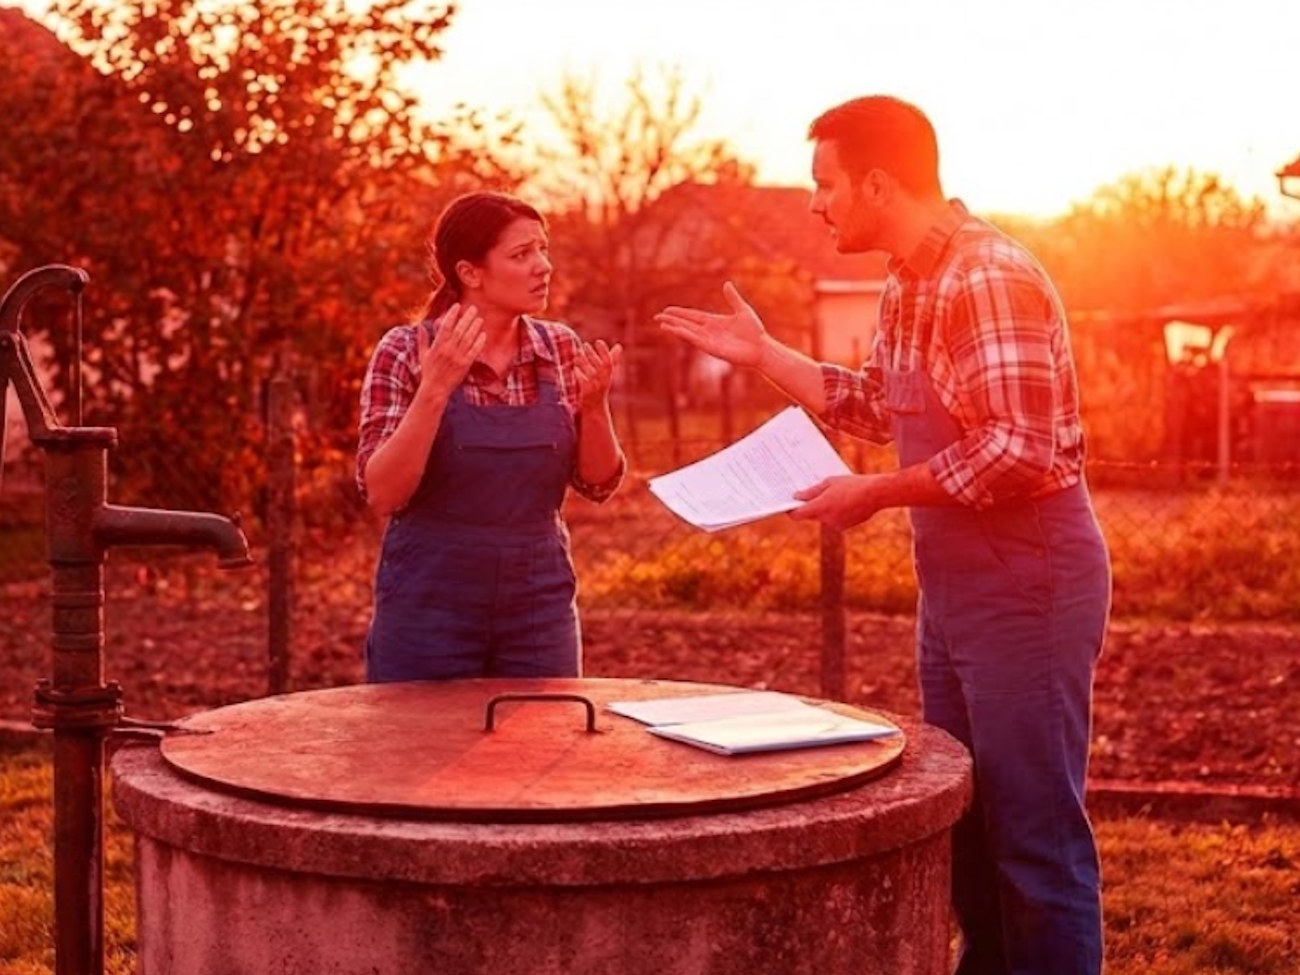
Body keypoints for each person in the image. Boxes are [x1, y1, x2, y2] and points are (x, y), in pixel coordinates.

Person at [656, 96, 1111, 975]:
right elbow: (874, 403)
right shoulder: (910, 277)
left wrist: (877, 493)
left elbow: (1019, 449)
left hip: (1029, 581)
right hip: (956, 590)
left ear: (877, 181)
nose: (816, 204)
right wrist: (767, 358)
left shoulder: (987, 276)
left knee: (1035, 836)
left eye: (825, 185)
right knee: (972, 829)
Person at [357, 190, 625, 682]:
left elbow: (599, 484)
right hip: (429, 605)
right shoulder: (406, 351)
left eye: (543, 249)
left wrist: (595, 406)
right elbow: (384, 492)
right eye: (522, 254)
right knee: (415, 749)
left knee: (540, 744)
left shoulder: (559, 347)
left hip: (537, 604)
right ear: (470, 273)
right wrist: (435, 388)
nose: (543, 266)